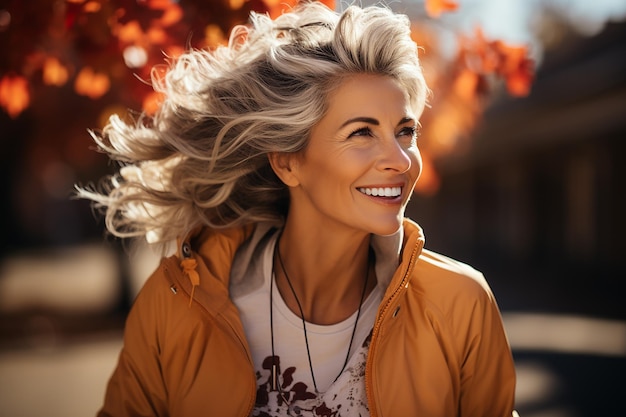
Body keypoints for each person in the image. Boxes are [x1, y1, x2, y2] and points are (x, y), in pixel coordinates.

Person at [79, 2, 518, 416]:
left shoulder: (461, 305)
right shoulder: (176, 304)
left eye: (405, 131)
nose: (401, 161)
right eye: (362, 133)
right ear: (288, 162)